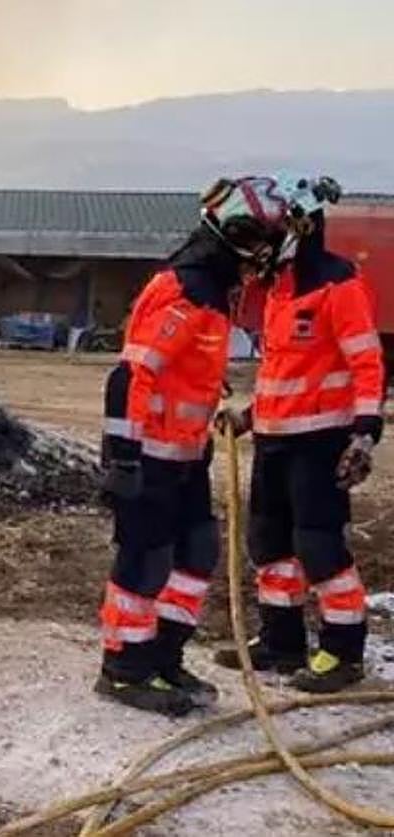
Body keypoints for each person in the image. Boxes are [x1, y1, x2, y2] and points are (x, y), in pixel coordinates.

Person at [97, 177, 292, 717]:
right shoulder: (186, 290)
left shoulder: (213, 290)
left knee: (197, 552)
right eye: (262, 244)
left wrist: (207, 383)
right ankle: (123, 668)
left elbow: (178, 367)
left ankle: (162, 655)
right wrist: (124, 459)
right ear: (237, 235)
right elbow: (128, 378)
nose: (264, 258)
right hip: (150, 457)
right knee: (145, 561)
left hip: (186, 455)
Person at [214, 175, 382, 693]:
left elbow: (368, 366)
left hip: (320, 444)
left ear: (299, 227)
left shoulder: (338, 285)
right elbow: (284, 373)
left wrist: (364, 436)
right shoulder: (279, 293)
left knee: (319, 547)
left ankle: (342, 652)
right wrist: (248, 416)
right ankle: (281, 642)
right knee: (269, 544)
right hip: (273, 440)